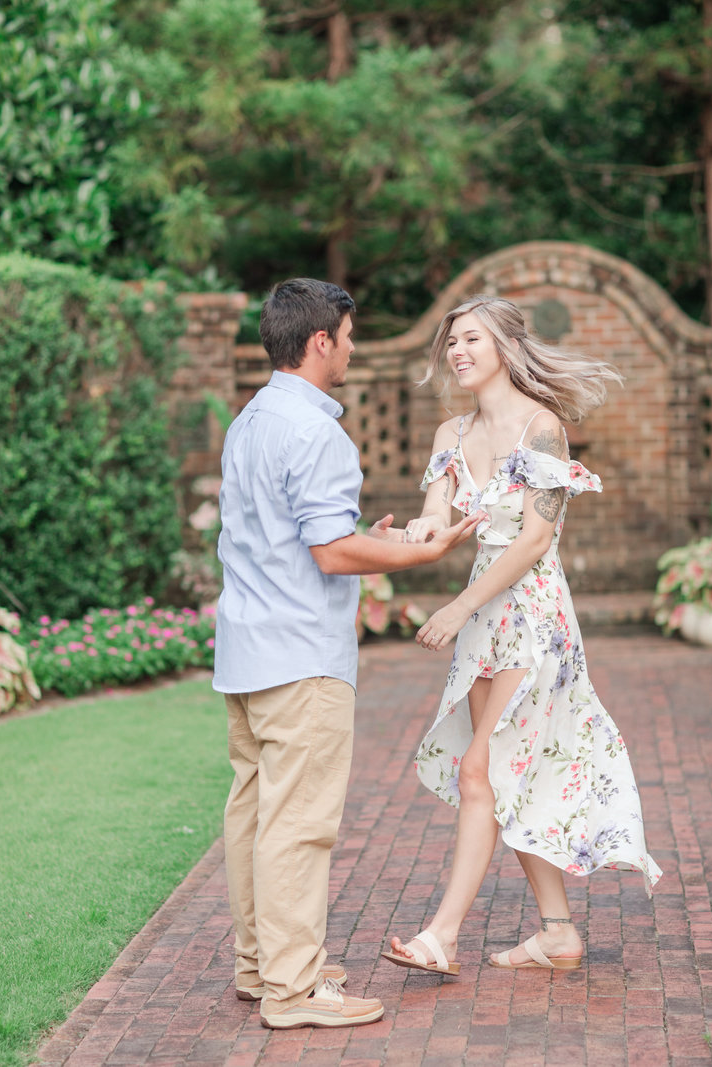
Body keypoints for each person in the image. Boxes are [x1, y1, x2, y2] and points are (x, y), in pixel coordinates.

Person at [213, 278, 485, 1029]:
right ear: (320, 341)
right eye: (349, 334)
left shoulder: (251, 420)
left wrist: (381, 538)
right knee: (299, 824)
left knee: (255, 816)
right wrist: (417, 554)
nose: (355, 347)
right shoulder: (317, 432)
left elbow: (297, 536)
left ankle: (262, 967)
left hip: (247, 651)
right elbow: (332, 554)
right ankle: (294, 992)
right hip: (301, 656)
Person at [381, 294, 662, 976]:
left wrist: (455, 606)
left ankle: (441, 935)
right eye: (451, 341)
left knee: (481, 769)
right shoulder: (452, 432)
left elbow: (535, 538)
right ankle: (558, 930)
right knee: (503, 776)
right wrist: (419, 531)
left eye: (471, 338)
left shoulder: (543, 429)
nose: (458, 351)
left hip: (532, 616)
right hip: (482, 619)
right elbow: (436, 510)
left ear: (504, 346)